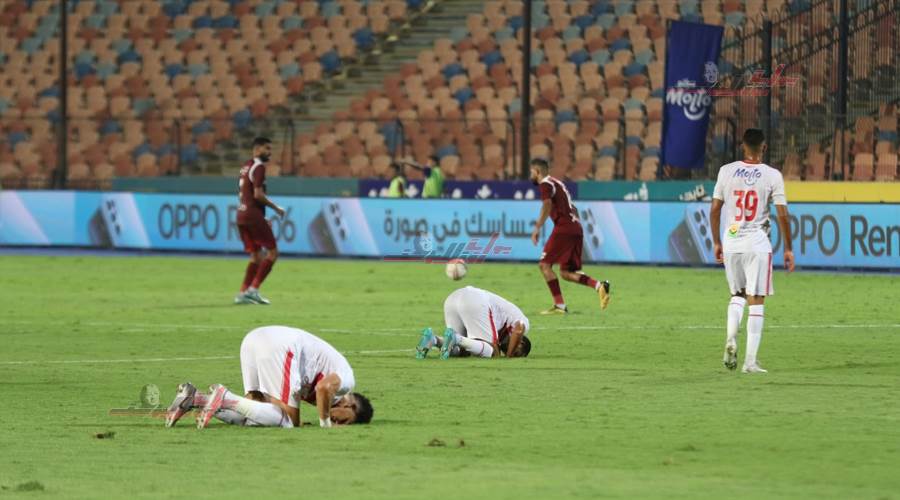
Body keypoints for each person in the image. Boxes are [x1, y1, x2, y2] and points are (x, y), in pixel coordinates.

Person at [165, 325, 374, 429]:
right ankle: (224, 396)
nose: (338, 423)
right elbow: (323, 388)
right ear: (351, 406)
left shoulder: (332, 390)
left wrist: (300, 420)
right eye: (344, 421)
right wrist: (325, 423)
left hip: (254, 339)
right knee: (287, 422)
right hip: (282, 346)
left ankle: (195, 398)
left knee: (253, 414)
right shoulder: (347, 381)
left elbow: (314, 394)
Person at [711, 128, 795, 374]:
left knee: (737, 295)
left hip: (732, 240)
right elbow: (782, 214)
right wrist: (788, 248)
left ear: (742, 146)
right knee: (756, 300)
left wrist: (716, 242)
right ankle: (749, 362)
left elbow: (715, 210)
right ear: (764, 147)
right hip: (757, 243)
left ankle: (730, 338)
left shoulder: (725, 171)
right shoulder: (772, 175)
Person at [529, 158, 610, 315]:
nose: (530, 175)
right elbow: (573, 207)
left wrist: (537, 227)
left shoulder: (545, 184)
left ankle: (559, 305)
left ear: (538, 171)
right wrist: (573, 224)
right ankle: (599, 286)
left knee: (544, 265)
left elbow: (547, 205)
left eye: (532, 172)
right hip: (575, 228)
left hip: (564, 228)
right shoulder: (558, 183)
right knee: (566, 272)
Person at [234, 137, 285, 305]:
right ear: (257, 149)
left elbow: (245, 194)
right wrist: (276, 208)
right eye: (266, 148)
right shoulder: (259, 167)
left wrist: (261, 216)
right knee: (273, 253)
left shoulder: (246, 166)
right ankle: (253, 290)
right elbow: (258, 195)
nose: (269, 152)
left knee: (256, 256)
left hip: (242, 215)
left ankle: (243, 293)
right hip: (252, 215)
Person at [415, 286, 532, 359]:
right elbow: (518, 331)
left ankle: (433, 340)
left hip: (453, 298)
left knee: (462, 351)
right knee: (494, 353)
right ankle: (457, 338)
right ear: (521, 343)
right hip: (475, 300)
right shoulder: (523, 323)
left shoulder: (505, 322)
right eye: (516, 353)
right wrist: (509, 355)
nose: (508, 351)